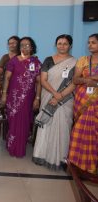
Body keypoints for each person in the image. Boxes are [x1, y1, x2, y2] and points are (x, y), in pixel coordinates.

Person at [32, 34, 76, 170]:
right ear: (55, 45)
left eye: (65, 43)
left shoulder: (75, 62)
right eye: (59, 43)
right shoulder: (48, 60)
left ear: (70, 46)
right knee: (46, 125)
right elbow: (43, 80)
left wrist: (60, 95)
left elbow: (74, 82)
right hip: (48, 96)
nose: (62, 46)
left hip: (65, 100)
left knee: (63, 126)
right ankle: (42, 155)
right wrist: (55, 93)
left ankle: (60, 158)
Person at [0, 37, 41, 158]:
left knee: (24, 123)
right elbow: (7, 78)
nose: (24, 47)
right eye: (22, 45)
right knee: (13, 122)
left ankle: (20, 149)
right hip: (13, 98)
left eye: (27, 45)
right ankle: (12, 146)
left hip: (28, 99)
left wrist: (37, 98)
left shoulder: (36, 62)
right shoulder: (13, 61)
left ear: (32, 47)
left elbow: (39, 82)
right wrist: (4, 94)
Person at [68, 33, 98, 173]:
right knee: (79, 129)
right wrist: (90, 80)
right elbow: (75, 80)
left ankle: (93, 166)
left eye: (93, 42)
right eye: (89, 42)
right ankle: (77, 165)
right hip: (82, 99)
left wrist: (90, 79)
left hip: (96, 100)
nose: (90, 45)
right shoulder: (83, 60)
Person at [0, 36, 20, 101]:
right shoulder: (5, 57)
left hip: (17, 89)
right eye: (10, 43)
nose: (11, 45)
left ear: (19, 44)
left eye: (14, 43)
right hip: (4, 88)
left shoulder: (21, 58)